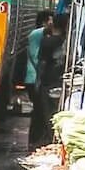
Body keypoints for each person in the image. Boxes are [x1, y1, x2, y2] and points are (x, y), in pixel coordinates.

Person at [30, 10, 67, 148]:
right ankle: (52, 139)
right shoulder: (66, 41)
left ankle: (40, 140)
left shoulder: (47, 41)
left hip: (47, 81)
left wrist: (38, 81)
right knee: (54, 112)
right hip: (59, 80)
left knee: (44, 112)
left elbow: (42, 63)